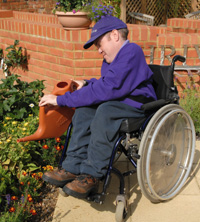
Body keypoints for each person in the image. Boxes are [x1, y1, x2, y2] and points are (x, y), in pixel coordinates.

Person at [39, 16, 157, 199]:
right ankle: (72, 167)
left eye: (100, 44)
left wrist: (61, 100)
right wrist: (87, 83)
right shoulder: (114, 59)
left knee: (105, 112)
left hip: (137, 104)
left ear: (115, 35)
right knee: (85, 110)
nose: (99, 50)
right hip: (119, 101)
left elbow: (110, 88)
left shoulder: (131, 51)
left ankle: (92, 175)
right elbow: (108, 83)